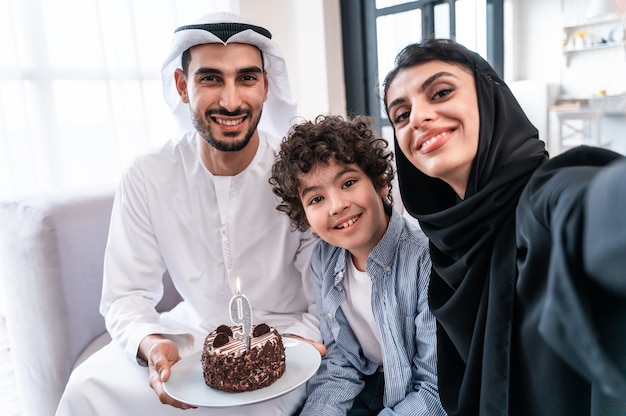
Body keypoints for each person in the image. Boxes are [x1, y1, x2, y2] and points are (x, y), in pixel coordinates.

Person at [56, 11, 324, 416]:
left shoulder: (301, 171)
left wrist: (296, 347)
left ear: (266, 86)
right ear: (183, 86)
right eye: (210, 78)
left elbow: (324, 299)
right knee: (86, 388)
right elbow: (125, 294)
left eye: (247, 78)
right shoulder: (148, 174)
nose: (230, 100)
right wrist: (151, 343)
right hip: (192, 332)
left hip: (285, 342)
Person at [382, 38, 626, 416]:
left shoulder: (543, 196)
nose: (417, 117)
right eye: (400, 114)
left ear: (489, 99)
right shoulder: (446, 245)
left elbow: (593, 211)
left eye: (441, 92)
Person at [269, 114, 447, 416]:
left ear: (379, 182)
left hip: (418, 396)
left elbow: (434, 389)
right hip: (367, 386)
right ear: (305, 217)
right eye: (316, 199)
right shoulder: (323, 260)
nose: (337, 205)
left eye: (348, 182)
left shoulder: (425, 259)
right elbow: (340, 359)